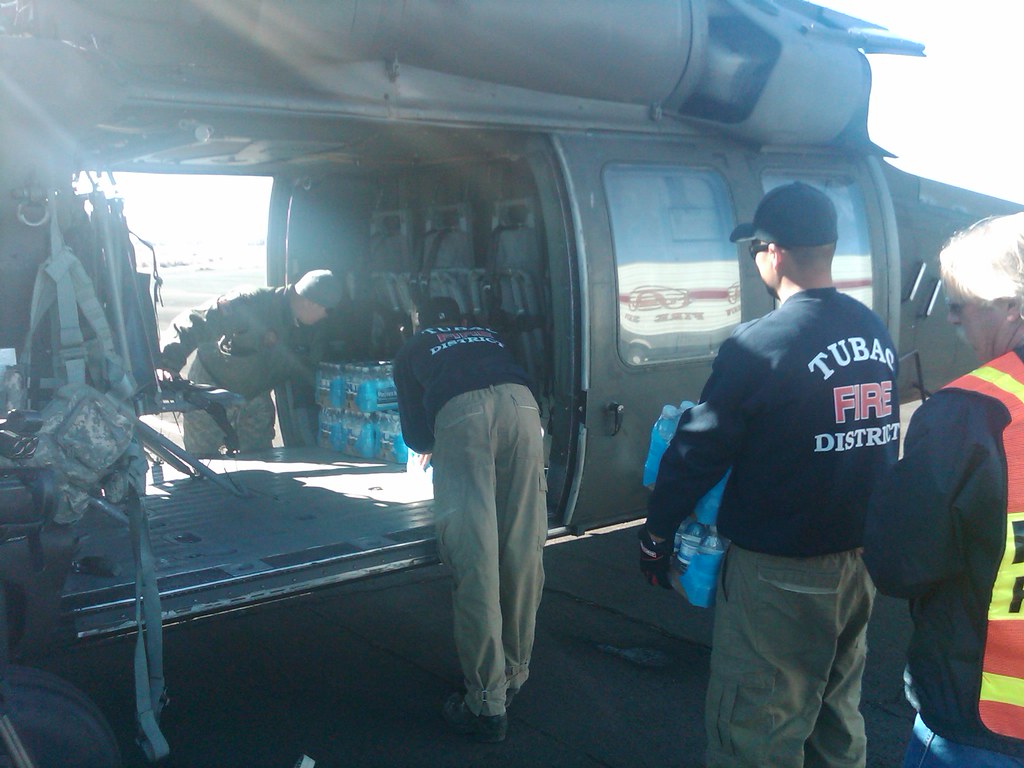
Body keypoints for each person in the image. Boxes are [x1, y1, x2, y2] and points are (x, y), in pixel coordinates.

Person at [639, 182, 900, 768]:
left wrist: (657, 535)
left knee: (755, 728)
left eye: (755, 248)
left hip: (781, 573)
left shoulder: (761, 343)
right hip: (858, 565)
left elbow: (696, 451)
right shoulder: (871, 330)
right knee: (836, 717)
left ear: (773, 252)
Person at [864, 213, 1024, 767]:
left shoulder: (970, 412)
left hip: (980, 719)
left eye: (960, 303)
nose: (950, 316)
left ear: (1010, 306)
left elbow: (901, 565)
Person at [393, 296, 546, 744]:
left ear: (420, 321)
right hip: (523, 408)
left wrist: (435, 442)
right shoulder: (489, 337)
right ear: (462, 319)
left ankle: (485, 702)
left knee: (475, 557)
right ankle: (514, 672)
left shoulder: (413, 347)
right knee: (522, 547)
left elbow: (416, 436)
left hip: (464, 417)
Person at [157, 269, 343, 456]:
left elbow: (311, 368)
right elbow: (196, 321)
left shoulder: (309, 329)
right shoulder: (251, 302)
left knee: (261, 457)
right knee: (202, 457)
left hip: (255, 394)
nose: (327, 316)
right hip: (211, 388)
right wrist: (167, 363)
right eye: (328, 310)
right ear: (310, 302)